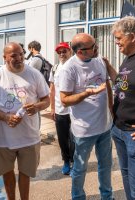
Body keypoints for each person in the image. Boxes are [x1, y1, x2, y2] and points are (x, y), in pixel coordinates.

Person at [0, 42, 50, 200]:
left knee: (25, 174)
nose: (19, 58)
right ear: (5, 57)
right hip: (3, 138)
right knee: (7, 174)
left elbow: (46, 100)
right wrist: (6, 117)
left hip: (29, 136)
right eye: (14, 55)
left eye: (21, 54)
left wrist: (36, 107)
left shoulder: (34, 74)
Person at [59, 33, 114, 200]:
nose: (97, 48)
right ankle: (78, 196)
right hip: (84, 130)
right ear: (81, 51)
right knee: (80, 168)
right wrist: (87, 93)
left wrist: (112, 109)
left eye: (95, 44)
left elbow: (108, 85)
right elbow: (64, 100)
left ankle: (107, 196)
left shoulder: (100, 61)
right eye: (93, 47)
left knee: (105, 166)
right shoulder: (69, 68)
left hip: (104, 127)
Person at [107, 16, 135, 200]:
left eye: (118, 38)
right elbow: (122, 84)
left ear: (132, 37)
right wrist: (109, 68)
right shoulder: (129, 59)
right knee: (127, 180)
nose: (116, 42)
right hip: (119, 130)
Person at [49, 42, 74, 175]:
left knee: (75, 138)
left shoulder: (76, 66)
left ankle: (74, 161)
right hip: (60, 110)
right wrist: (52, 108)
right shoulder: (55, 68)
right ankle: (66, 160)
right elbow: (52, 90)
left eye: (64, 51)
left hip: (75, 110)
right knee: (62, 138)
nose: (62, 54)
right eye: (59, 52)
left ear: (70, 51)